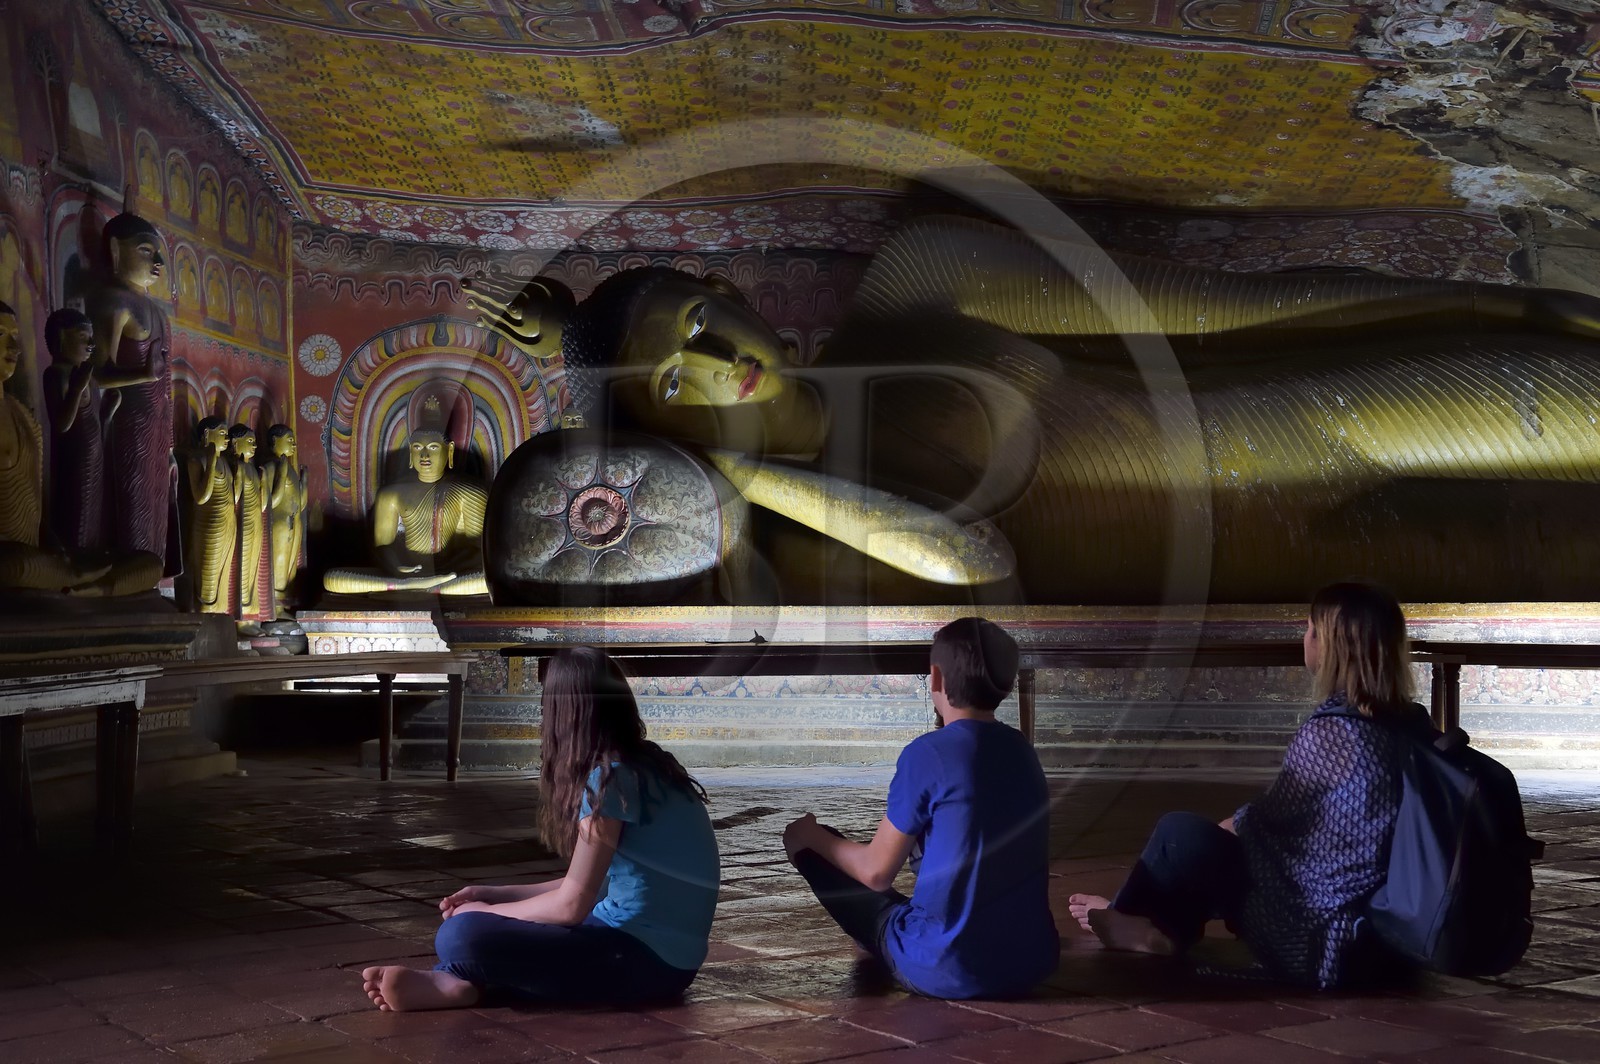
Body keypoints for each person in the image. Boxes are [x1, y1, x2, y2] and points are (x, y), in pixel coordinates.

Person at [1068, 580, 1430, 989]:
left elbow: (1260, 827)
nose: (1304, 637)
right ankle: (1150, 927)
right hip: (1389, 943)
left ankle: (1123, 918)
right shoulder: (1414, 726)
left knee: (1180, 834)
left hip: (1322, 943)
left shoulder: (1333, 735)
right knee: (1211, 842)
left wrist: (1214, 836)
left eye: (1310, 629)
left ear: (1329, 645)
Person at [361, 646, 721, 1011]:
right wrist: (496, 894)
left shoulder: (611, 780)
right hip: (668, 962)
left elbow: (571, 906)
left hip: (645, 963)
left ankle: (458, 978)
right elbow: (595, 887)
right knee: (490, 931)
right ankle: (459, 983)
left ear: (565, 714)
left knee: (461, 935)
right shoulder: (649, 768)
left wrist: (484, 912)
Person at [782, 617, 1059, 999]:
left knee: (819, 846)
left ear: (936, 678)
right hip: (1031, 961)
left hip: (946, 967)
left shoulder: (927, 754)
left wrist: (808, 834)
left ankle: (890, 943)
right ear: (1007, 684)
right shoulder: (1022, 751)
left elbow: (876, 872)